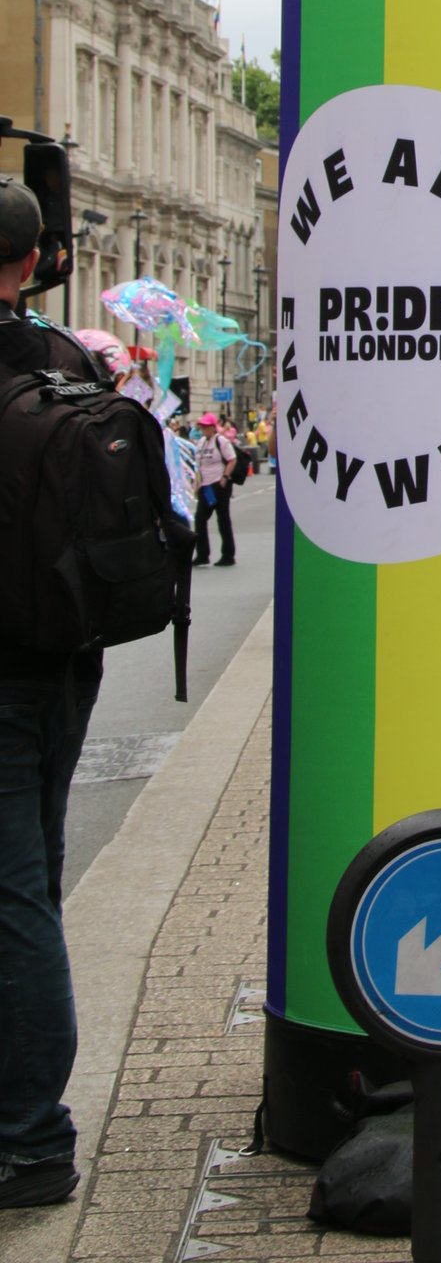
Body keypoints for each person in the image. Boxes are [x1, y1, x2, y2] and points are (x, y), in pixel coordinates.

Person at [0, 176, 113, 1209]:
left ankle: (32, 1136)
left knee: (12, 896)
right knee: (27, 881)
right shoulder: (70, 362)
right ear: (37, 263)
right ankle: (27, 1120)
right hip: (61, 659)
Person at [191, 413, 239, 566]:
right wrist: (197, 484)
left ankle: (228, 555)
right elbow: (199, 466)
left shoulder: (221, 441)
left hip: (219, 484)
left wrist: (225, 478)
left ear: (213, 427)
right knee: (199, 519)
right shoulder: (201, 443)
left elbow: (232, 459)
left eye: (206, 426)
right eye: (202, 426)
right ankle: (202, 554)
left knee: (223, 520)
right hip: (206, 486)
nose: (203, 428)